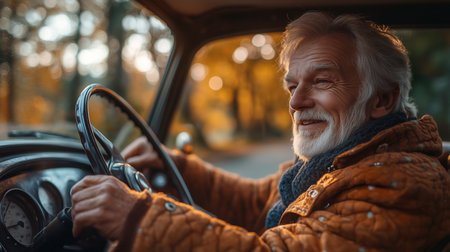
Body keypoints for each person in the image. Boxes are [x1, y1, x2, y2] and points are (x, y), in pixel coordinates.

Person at [70, 12, 450, 251]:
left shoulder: (401, 184)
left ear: (382, 99)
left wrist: (138, 218)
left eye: (320, 81)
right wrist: (180, 168)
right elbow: (258, 204)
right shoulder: (342, 161)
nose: (297, 102)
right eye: (292, 86)